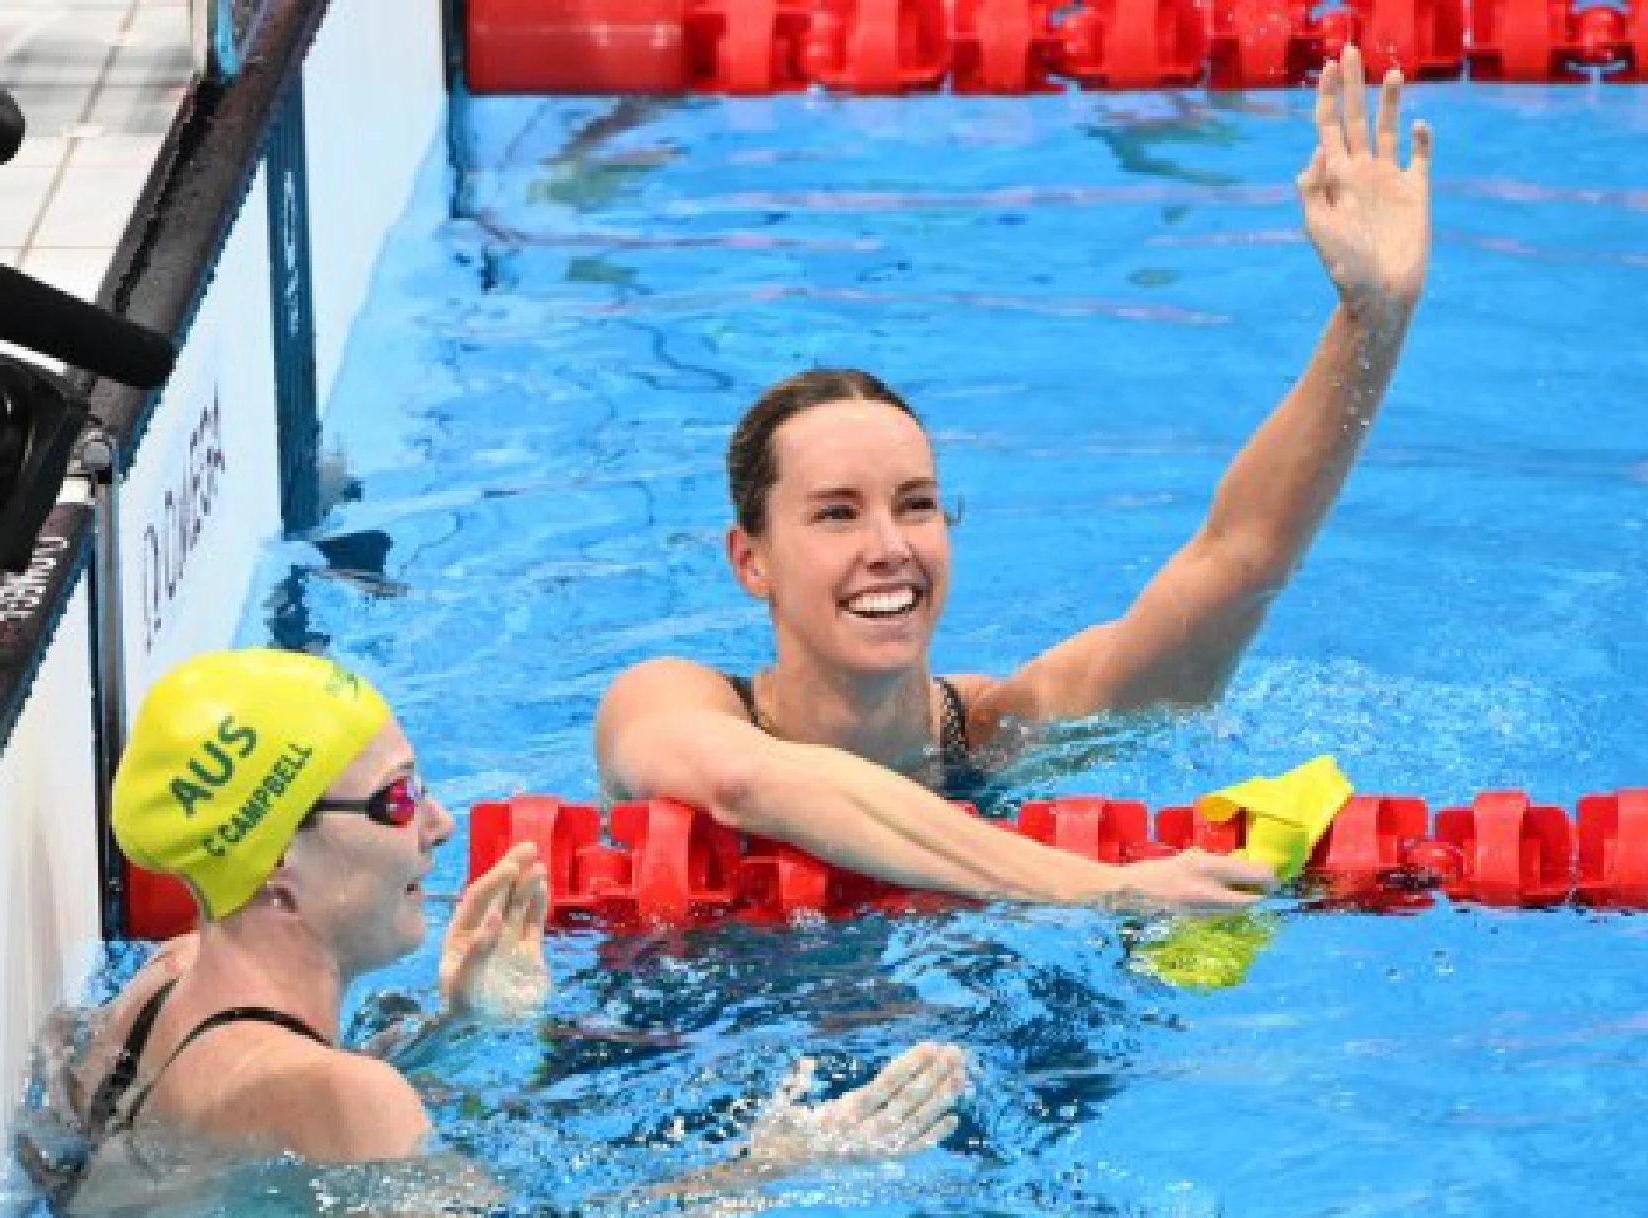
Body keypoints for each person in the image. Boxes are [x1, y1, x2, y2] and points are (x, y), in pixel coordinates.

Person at [595, 49, 1430, 912]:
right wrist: (1105, 886)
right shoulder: (668, 701)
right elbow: (753, 787)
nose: (889, 548)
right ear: (750, 559)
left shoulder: (1008, 731)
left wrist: (1373, 321)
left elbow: (1239, 561)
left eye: (915, 505)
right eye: (836, 514)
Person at [44, 647, 970, 1218]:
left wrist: (462, 1026)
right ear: (278, 867)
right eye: (399, 799)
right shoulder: (346, 1096)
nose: (440, 824)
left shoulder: (163, 980)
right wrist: (766, 1173)